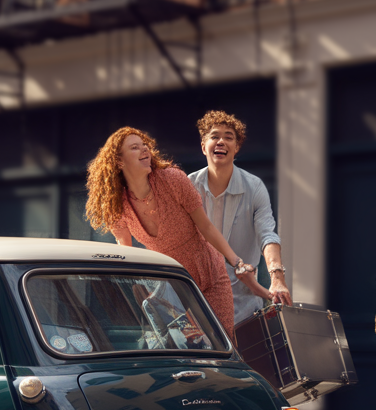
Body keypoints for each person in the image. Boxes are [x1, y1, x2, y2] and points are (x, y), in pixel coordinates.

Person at [85, 127, 254, 337]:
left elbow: (206, 227)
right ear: (119, 162)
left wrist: (236, 262)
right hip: (172, 289)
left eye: (144, 145)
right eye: (134, 147)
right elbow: (125, 250)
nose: (144, 149)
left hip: (210, 277)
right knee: (192, 348)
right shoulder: (116, 205)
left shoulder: (172, 179)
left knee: (221, 344)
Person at [187, 111, 293, 334]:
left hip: (244, 307)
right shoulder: (189, 185)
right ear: (203, 146)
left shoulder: (254, 187)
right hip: (196, 303)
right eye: (214, 136)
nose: (221, 141)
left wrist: (277, 277)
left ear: (236, 148)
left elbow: (268, 235)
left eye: (229, 137)